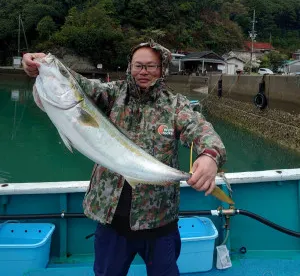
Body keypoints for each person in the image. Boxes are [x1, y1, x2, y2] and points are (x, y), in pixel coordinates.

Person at [22, 40, 226, 276]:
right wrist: (40, 64)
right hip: (111, 221)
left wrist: (211, 156)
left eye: (151, 66)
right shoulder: (112, 94)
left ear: (162, 69)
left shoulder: (175, 105)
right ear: (130, 67)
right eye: (139, 65)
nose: (144, 72)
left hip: (159, 222)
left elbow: (202, 130)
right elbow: (78, 85)